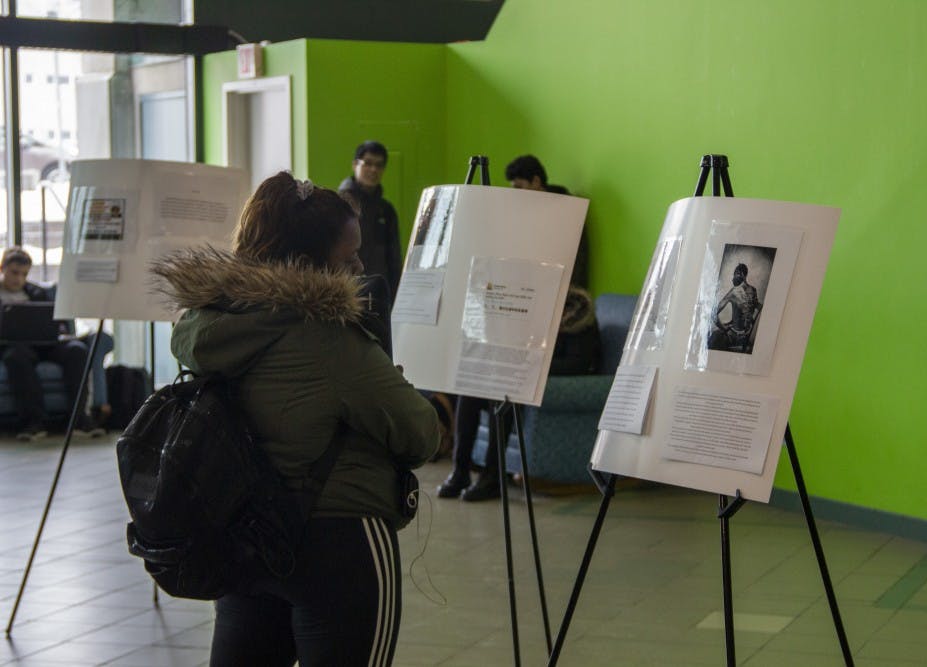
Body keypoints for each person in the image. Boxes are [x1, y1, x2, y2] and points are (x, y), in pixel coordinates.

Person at [151, 172, 440, 666]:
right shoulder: (328, 339)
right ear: (308, 265)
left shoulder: (206, 328)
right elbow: (421, 434)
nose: (360, 264)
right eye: (348, 255)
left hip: (244, 534)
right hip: (339, 542)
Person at [437, 285, 601, 501]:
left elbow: (577, 364)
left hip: (555, 380)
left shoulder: (579, 315)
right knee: (471, 387)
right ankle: (460, 471)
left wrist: (529, 364)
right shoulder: (528, 309)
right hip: (523, 372)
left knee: (502, 393)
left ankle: (492, 477)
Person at [0, 246, 104, 441]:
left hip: (46, 344)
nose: (19, 279)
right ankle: (34, 422)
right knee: (17, 357)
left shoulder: (37, 293)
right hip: (13, 346)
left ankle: (79, 420)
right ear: (2, 268)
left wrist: (62, 331)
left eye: (24, 274)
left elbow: (57, 322)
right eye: (15, 272)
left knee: (77, 350)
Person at [504, 154, 589, 287]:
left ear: (536, 181)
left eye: (519, 187)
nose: (516, 194)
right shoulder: (527, 211)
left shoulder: (568, 210)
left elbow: (576, 258)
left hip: (562, 289)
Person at [339, 140, 402, 304]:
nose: (373, 169)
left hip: (379, 294)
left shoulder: (386, 210)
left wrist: (395, 297)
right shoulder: (339, 204)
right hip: (345, 290)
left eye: (379, 165)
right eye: (368, 163)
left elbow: (394, 259)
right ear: (355, 165)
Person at [708, 262, 762, 353]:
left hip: (734, 336)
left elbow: (713, 314)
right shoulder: (753, 290)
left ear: (741, 274)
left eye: (735, 274)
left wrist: (723, 328)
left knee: (711, 336)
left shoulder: (734, 291)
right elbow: (757, 307)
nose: (732, 279)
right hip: (746, 335)